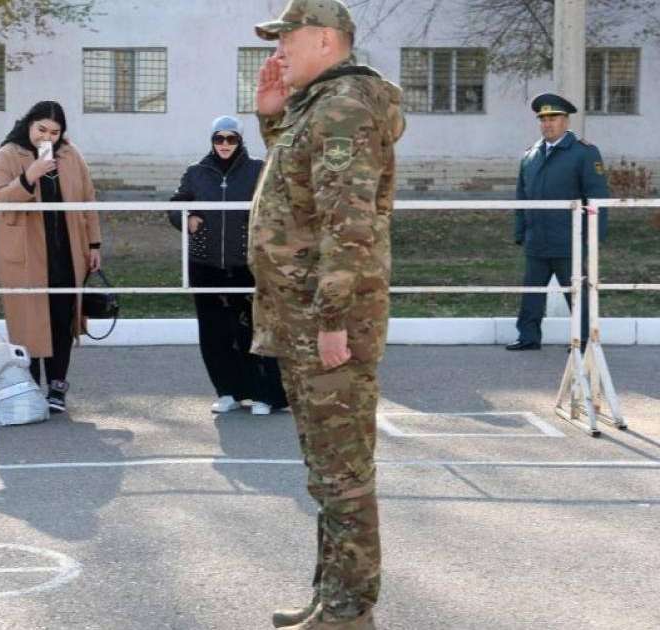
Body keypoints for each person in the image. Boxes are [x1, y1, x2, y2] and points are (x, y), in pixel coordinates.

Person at [251, 1, 405, 628]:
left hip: (326, 319)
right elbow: (302, 190)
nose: (279, 51)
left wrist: (333, 319)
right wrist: (270, 117)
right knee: (326, 470)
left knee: (342, 473)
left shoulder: (342, 108)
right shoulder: (319, 105)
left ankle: (348, 610)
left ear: (323, 39)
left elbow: (348, 222)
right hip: (305, 314)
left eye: (286, 38)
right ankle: (331, 597)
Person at [168, 115, 287, 416]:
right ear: (211, 140)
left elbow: (275, 204)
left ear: (240, 140)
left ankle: (264, 394)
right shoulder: (197, 172)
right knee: (214, 332)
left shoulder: (257, 170)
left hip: (245, 264)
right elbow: (176, 205)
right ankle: (227, 391)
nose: (224, 144)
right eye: (218, 139)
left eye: (230, 139)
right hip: (205, 264)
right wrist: (187, 217)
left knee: (251, 330)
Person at [0, 100, 101, 414]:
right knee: (29, 320)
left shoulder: (71, 154)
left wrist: (94, 245)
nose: (47, 137)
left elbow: (87, 198)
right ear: (29, 124)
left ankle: (57, 387)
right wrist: (31, 175)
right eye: (42, 129)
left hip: (66, 250)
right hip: (24, 252)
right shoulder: (9, 154)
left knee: (62, 319)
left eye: (55, 132)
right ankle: (30, 387)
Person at [506, 93, 610, 351]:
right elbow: (522, 196)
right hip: (537, 238)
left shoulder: (583, 153)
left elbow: (597, 198)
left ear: (566, 121)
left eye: (553, 118)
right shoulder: (531, 154)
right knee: (532, 292)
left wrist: (594, 235)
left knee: (577, 293)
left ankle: (584, 340)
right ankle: (528, 337)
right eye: (543, 119)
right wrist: (521, 232)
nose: (547, 124)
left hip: (569, 239)